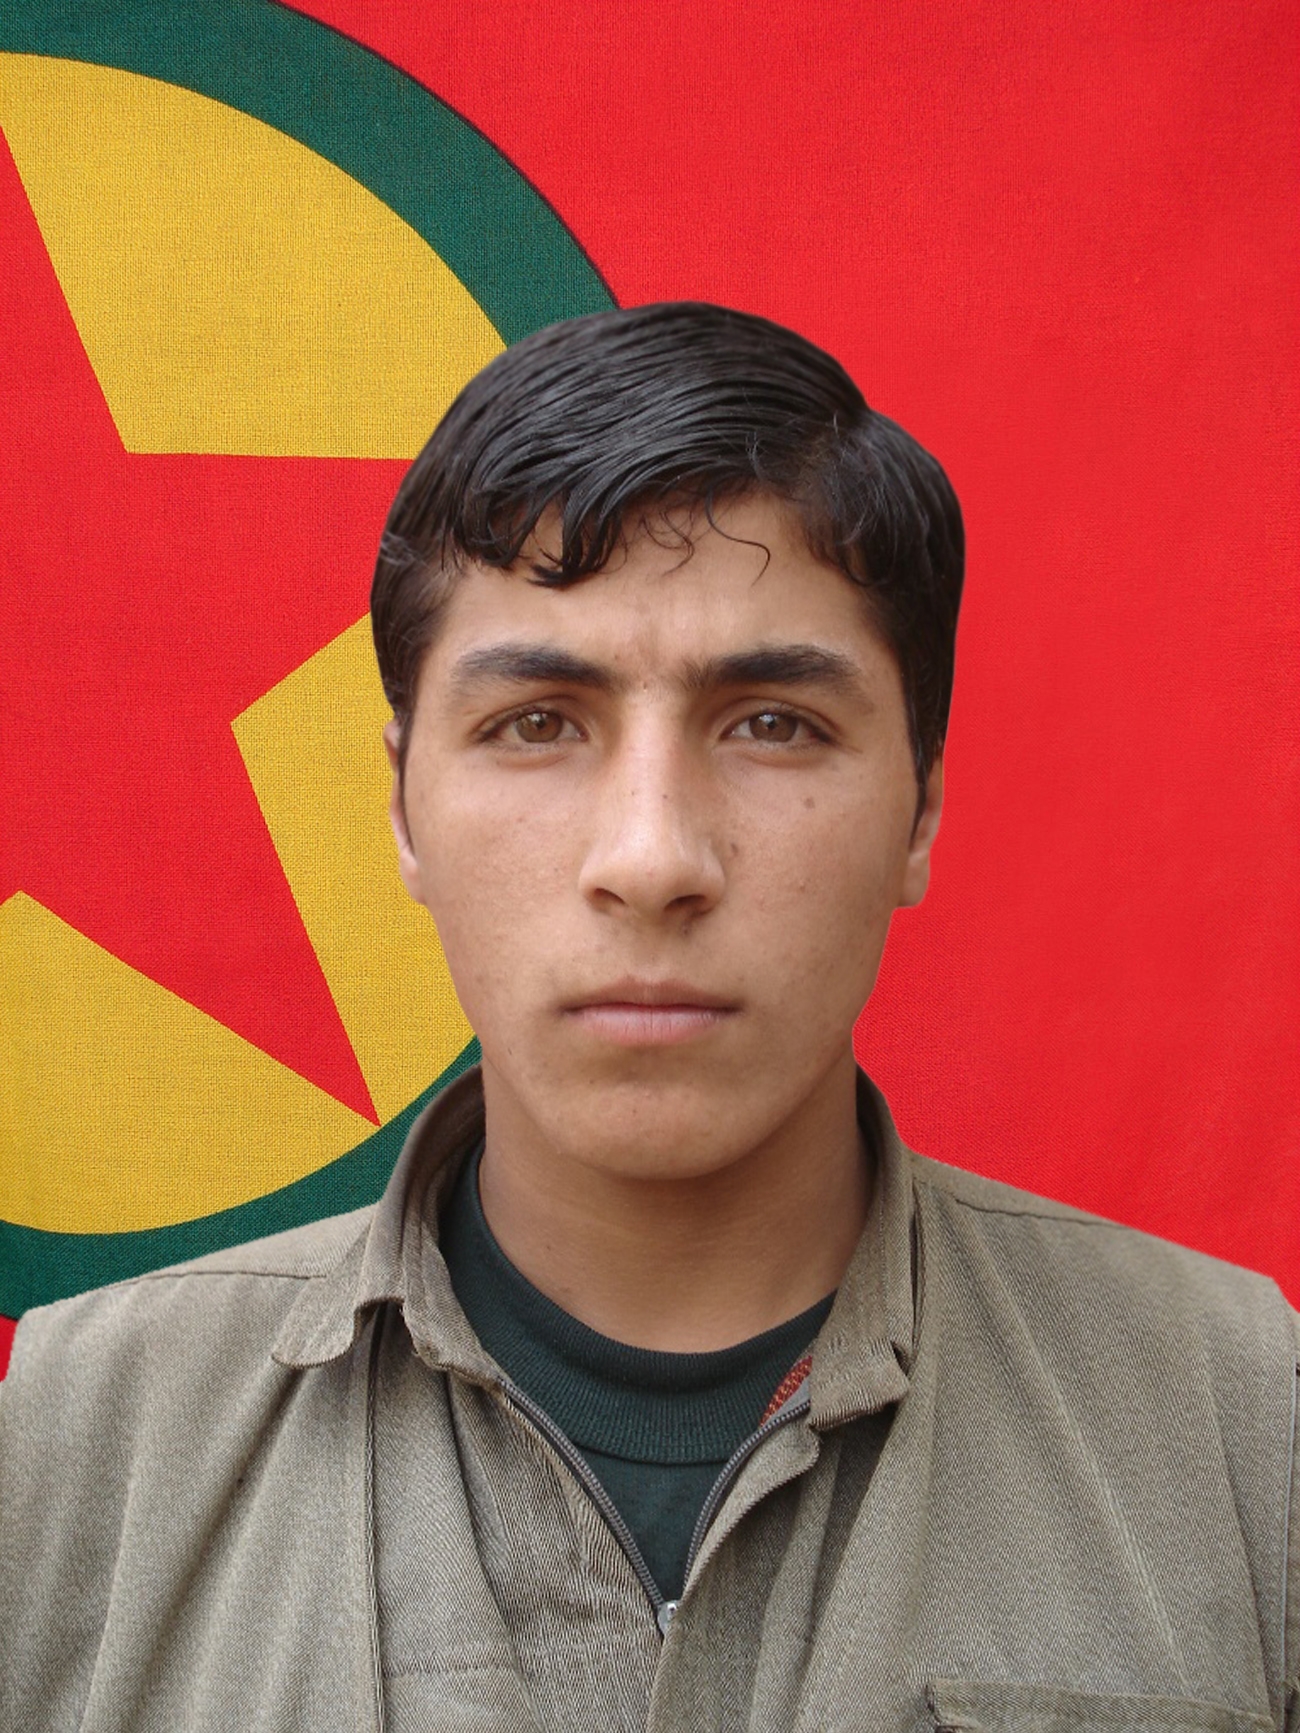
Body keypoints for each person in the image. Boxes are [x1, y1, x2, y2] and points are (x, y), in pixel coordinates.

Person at [1, 302, 1295, 1733]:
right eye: (538, 723)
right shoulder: (79, 1444)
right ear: (404, 811)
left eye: (773, 724)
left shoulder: (1240, 1419)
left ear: (920, 806)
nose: (653, 857)